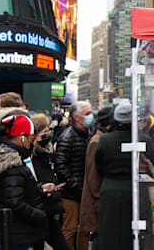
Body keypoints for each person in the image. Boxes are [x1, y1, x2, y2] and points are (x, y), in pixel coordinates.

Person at [0, 115, 58, 250]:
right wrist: (39, 215)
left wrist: (38, 190)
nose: (35, 141)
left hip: (13, 229)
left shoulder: (9, 160)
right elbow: (14, 201)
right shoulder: (12, 164)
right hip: (16, 231)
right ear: (22, 137)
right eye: (32, 138)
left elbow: (15, 190)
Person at [95, 101, 134, 249]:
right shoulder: (142, 139)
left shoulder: (104, 140)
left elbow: (99, 166)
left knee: (110, 231)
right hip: (134, 189)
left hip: (110, 189)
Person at [53, 100, 93, 250]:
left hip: (84, 190)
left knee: (84, 228)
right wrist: (74, 184)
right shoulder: (67, 137)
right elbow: (60, 165)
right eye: (87, 113)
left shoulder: (87, 134)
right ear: (77, 117)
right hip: (71, 193)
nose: (91, 116)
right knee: (70, 228)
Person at [28, 114, 68, 250]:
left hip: (48, 209)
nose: (48, 135)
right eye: (44, 131)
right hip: (39, 209)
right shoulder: (31, 157)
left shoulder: (47, 153)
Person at [78, 106, 113, 249]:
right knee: (98, 238)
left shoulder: (100, 139)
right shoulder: (97, 141)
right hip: (96, 202)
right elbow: (94, 178)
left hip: (98, 200)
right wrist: (101, 197)